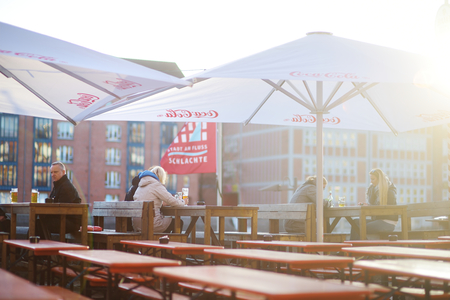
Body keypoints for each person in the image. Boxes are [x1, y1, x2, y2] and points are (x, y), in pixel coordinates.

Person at [132, 166, 187, 233]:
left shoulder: (140, 186)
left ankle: (163, 242)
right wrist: (183, 201)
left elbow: (151, 199)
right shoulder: (156, 185)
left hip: (137, 225)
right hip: (151, 225)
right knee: (178, 222)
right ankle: (173, 243)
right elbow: (173, 201)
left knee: (168, 224)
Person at [350, 168, 398, 240]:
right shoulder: (375, 190)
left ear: (379, 180)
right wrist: (367, 205)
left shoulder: (389, 192)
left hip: (388, 222)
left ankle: (357, 249)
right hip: (378, 220)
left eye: (373, 179)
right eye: (370, 179)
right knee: (355, 223)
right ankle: (354, 248)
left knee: (360, 227)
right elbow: (376, 206)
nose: (371, 182)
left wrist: (370, 206)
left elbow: (384, 210)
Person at [38, 161, 82, 237]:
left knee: (39, 224)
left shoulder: (66, 187)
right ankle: (39, 247)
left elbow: (61, 209)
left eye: (55, 172)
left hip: (70, 222)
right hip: (63, 219)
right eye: (51, 172)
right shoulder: (59, 185)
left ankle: (40, 248)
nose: (53, 175)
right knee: (38, 223)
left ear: (63, 172)